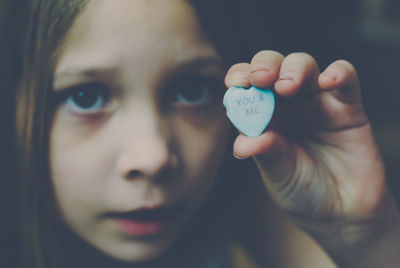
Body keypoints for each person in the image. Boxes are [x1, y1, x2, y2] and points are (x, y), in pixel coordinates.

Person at [3, 0, 400, 267]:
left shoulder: (256, 215)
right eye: (86, 96)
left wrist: (366, 241)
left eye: (191, 91)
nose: (154, 156)